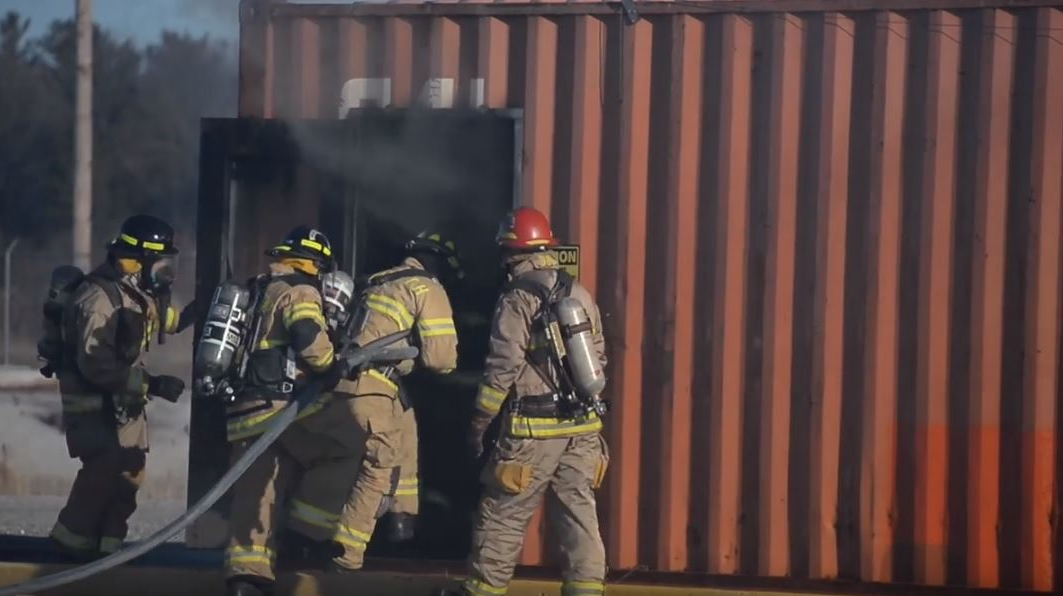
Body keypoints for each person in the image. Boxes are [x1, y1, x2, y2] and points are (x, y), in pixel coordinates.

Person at [457, 207, 610, 596]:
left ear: (511, 252)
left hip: (532, 432)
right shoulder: (580, 292)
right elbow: (600, 358)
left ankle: (480, 592)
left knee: (503, 515)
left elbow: (501, 368)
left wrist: (480, 421)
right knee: (579, 515)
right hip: (584, 429)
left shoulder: (517, 297)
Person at [50, 215, 191, 559]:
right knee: (103, 470)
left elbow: (164, 319)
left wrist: (199, 311)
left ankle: (108, 551)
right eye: (159, 261)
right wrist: (153, 383)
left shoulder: (133, 293)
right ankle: (69, 548)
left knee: (129, 471)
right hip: (94, 404)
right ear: (137, 259)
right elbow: (94, 364)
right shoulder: (98, 298)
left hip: (121, 403)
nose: (163, 269)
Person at [327, 231, 461, 572]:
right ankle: (346, 553)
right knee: (379, 461)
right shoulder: (427, 288)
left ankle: (402, 520)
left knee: (405, 431)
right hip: (371, 385)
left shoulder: (375, 280)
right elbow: (440, 360)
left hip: (346, 385)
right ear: (441, 263)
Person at [223, 226, 346, 596]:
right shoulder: (301, 291)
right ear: (316, 264)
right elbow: (312, 344)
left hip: (245, 408)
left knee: (255, 492)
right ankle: (304, 536)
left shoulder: (259, 287)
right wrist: (332, 364)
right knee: (340, 451)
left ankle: (246, 577)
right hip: (280, 409)